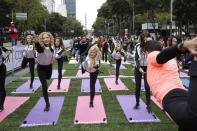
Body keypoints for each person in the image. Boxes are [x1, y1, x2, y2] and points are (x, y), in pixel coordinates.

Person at [145, 38, 197, 131]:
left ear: (147, 52)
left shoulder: (151, 55)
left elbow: (160, 57)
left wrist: (182, 46)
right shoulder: (170, 59)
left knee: (191, 119)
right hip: (183, 93)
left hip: (171, 96)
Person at [35, 32, 54, 112]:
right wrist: (36, 43)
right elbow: (39, 49)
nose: (46, 39)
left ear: (50, 38)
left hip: (49, 67)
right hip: (41, 68)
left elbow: (52, 57)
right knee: (45, 85)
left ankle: (47, 103)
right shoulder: (41, 48)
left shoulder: (52, 48)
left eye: (47, 37)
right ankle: (47, 104)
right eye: (44, 38)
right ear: (41, 40)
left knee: (48, 78)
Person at [133, 32, 151, 112]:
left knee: (147, 87)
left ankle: (148, 105)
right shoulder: (137, 46)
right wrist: (139, 67)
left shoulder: (151, 46)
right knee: (138, 86)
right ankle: (137, 103)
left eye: (147, 39)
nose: (145, 41)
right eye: (144, 39)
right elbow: (136, 58)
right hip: (138, 68)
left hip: (148, 68)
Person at [0, 45, 10, 112]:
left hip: (1, 69)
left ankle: (1, 106)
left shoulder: (0, 47)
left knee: (1, 87)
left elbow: (8, 51)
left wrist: (3, 57)